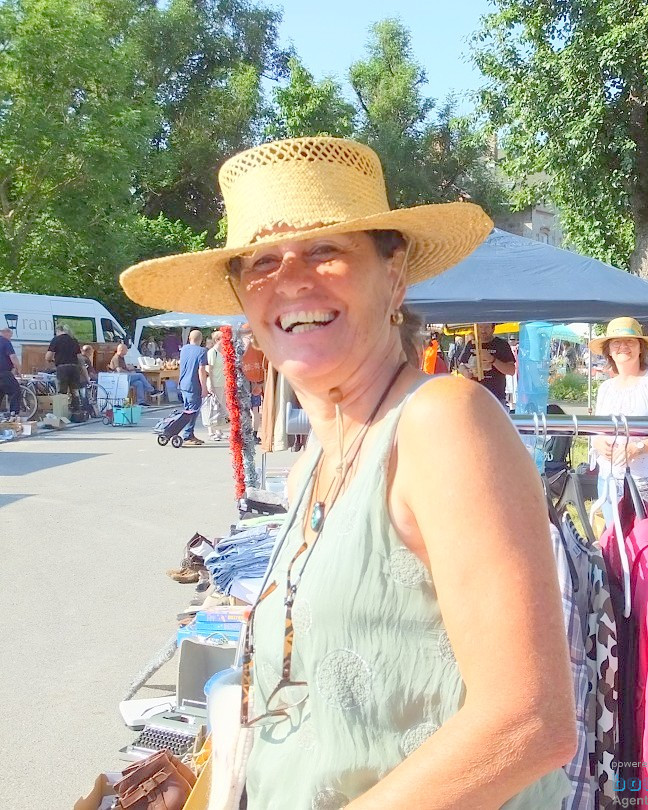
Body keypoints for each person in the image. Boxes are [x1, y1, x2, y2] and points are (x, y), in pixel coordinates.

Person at [119, 135, 575, 808]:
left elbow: (529, 722)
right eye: (262, 262)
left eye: (326, 251)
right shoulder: (316, 458)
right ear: (243, 300)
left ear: (394, 276)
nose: (292, 279)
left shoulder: (442, 422)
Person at [589, 317, 648, 531]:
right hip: (609, 481)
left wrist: (638, 448)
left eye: (630, 341)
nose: (624, 347)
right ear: (609, 351)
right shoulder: (606, 389)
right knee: (616, 551)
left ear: (641, 348)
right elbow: (595, 432)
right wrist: (600, 444)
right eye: (616, 342)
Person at [460, 323, 517, 406]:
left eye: (486, 327)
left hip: (495, 397)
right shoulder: (471, 344)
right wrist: (465, 372)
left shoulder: (502, 345)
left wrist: (492, 359)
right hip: (474, 396)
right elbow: (461, 365)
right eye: (480, 327)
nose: (483, 330)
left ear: (493, 329)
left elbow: (511, 371)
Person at [177, 329, 209, 446]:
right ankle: (187, 434)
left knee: (187, 409)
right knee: (194, 411)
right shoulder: (202, 351)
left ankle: (188, 433)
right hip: (193, 384)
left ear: (190, 338)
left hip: (183, 383)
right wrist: (204, 387)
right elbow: (201, 370)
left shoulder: (184, 349)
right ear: (200, 339)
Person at [240, 326, 265, 443]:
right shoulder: (259, 343)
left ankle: (245, 434)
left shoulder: (238, 344)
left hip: (243, 380)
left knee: (244, 409)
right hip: (256, 379)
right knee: (255, 409)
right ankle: (253, 434)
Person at [204, 329, 230, 440]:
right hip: (215, 383)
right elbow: (208, 369)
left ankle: (219, 430)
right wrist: (210, 384)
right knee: (213, 408)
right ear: (217, 340)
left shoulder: (222, 352)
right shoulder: (212, 352)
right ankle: (211, 432)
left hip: (223, 383)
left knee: (221, 408)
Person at [45, 324, 83, 395]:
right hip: (74, 368)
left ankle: (62, 406)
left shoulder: (56, 339)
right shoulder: (73, 340)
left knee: (62, 392)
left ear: (58, 330)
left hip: (62, 368)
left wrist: (52, 360)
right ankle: (76, 405)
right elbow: (80, 357)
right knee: (75, 391)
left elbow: (48, 357)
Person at [0, 327, 20, 415]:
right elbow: (13, 357)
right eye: (10, 336)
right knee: (15, 390)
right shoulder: (5, 341)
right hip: (4, 372)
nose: (10, 338)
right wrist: (18, 369)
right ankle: (14, 414)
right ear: (6, 333)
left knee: (2, 391)